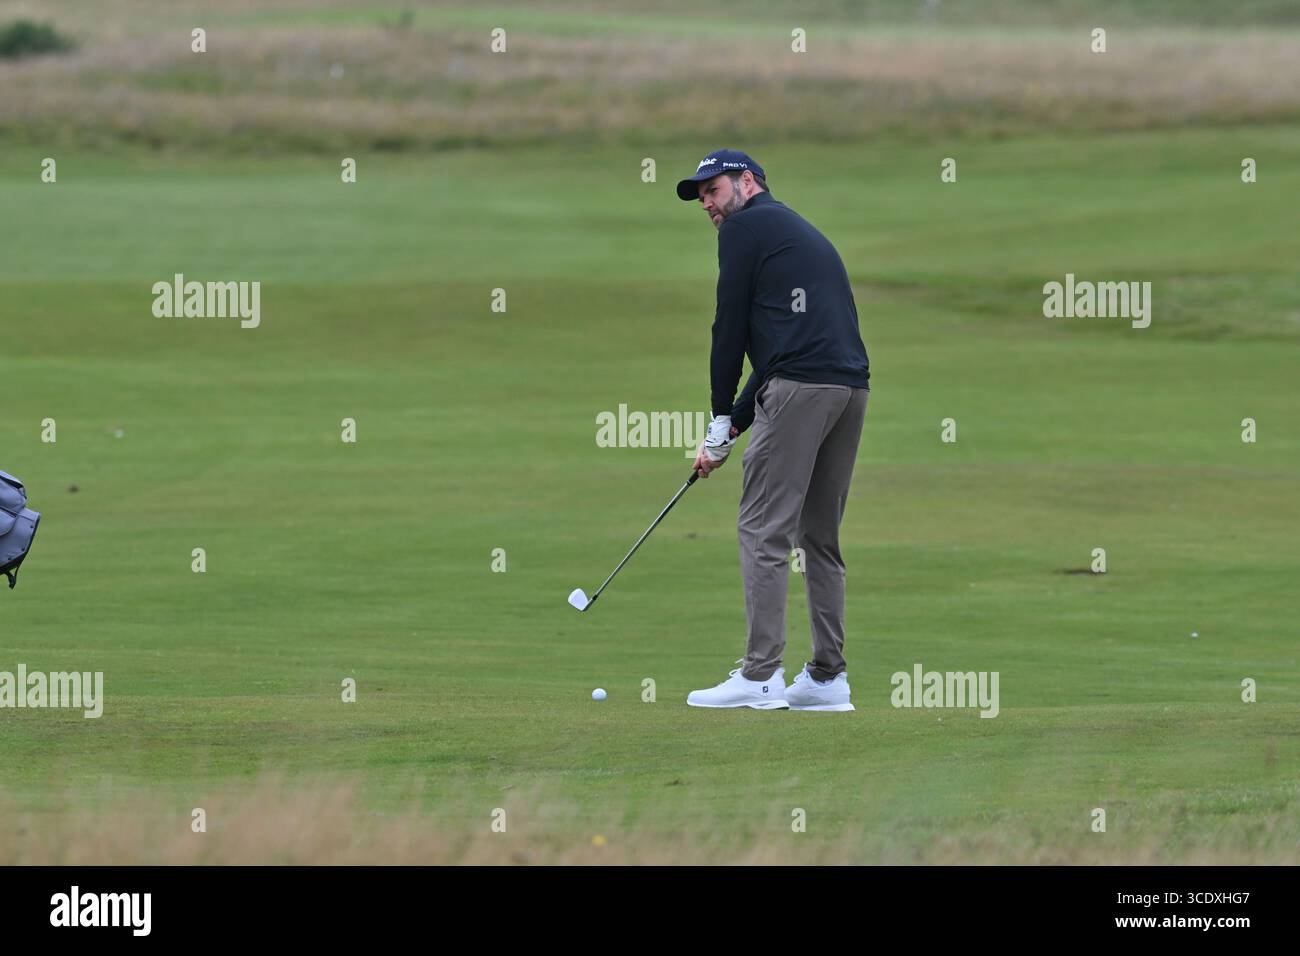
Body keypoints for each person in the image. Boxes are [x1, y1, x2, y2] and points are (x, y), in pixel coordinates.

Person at [676, 150, 871, 712]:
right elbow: (784, 344)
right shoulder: (795, 232)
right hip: (848, 390)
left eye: (713, 190)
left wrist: (715, 417)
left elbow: (728, 325)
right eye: (702, 197)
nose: (709, 204)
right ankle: (828, 680)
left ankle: (761, 676)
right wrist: (734, 424)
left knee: (764, 531)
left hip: (800, 391)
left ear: (747, 182)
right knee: (820, 537)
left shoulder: (745, 229)